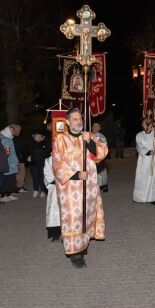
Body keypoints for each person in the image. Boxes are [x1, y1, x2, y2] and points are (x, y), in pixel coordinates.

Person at [52, 108, 108, 268]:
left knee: (86, 216)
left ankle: (82, 245)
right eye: (74, 119)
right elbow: (57, 164)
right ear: (68, 122)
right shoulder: (61, 140)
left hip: (89, 187)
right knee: (73, 219)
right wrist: (76, 174)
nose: (78, 121)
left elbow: (102, 152)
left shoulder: (88, 136)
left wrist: (89, 142)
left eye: (80, 118)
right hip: (70, 188)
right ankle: (74, 254)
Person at [133, 119, 155, 205]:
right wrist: (148, 151)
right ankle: (140, 197)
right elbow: (139, 146)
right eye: (145, 123)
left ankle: (153, 198)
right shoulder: (139, 135)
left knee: (153, 178)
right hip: (144, 160)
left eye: (149, 123)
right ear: (142, 124)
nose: (147, 125)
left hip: (154, 160)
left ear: (152, 124)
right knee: (142, 178)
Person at [27, 130, 50, 198]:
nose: (37, 137)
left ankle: (43, 190)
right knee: (35, 177)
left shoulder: (45, 144)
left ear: (42, 137)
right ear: (34, 137)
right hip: (34, 164)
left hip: (43, 164)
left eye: (39, 136)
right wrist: (28, 157)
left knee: (43, 178)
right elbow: (27, 152)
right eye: (36, 136)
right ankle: (36, 190)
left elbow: (47, 153)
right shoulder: (31, 144)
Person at [0, 126, 18, 203]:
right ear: (7, 131)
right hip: (8, 163)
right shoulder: (5, 139)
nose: (13, 132)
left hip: (11, 162)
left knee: (11, 179)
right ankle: (3, 196)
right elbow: (7, 151)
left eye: (13, 131)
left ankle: (9, 194)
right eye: (11, 131)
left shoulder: (9, 139)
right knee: (6, 179)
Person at [43, 156, 61, 242]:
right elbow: (48, 174)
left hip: (70, 188)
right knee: (55, 211)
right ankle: (55, 233)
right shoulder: (50, 159)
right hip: (55, 188)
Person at [91, 123, 109, 192]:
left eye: (97, 126)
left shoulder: (102, 137)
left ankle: (104, 185)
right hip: (90, 157)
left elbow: (104, 147)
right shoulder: (89, 135)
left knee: (101, 172)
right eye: (94, 126)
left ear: (99, 128)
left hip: (99, 156)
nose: (95, 127)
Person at [11, 124, 28, 193]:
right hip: (19, 159)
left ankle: (16, 187)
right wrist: (26, 157)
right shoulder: (18, 139)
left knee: (17, 173)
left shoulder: (11, 138)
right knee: (21, 173)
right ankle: (18, 187)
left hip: (14, 159)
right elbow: (23, 149)